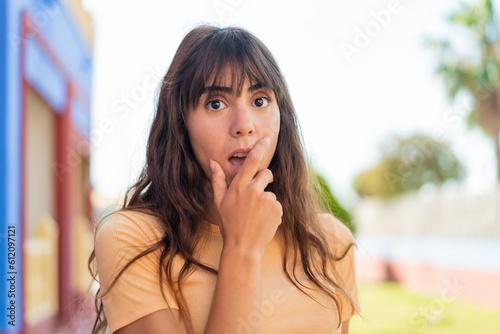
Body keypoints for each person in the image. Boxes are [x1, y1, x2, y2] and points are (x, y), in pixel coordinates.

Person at [89, 25, 361, 334]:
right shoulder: (134, 240)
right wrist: (242, 249)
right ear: (181, 124)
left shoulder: (331, 242)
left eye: (260, 100)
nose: (244, 125)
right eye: (216, 103)